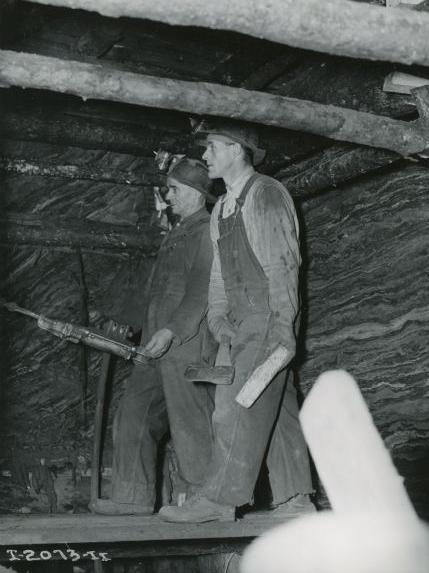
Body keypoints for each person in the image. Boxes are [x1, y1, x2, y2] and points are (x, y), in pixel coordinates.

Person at [159, 121, 314, 523]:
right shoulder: (223, 208)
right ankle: (296, 497)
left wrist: (283, 324)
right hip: (241, 321)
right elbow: (216, 276)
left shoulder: (266, 195)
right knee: (275, 401)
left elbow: (283, 265)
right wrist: (215, 316)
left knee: (235, 404)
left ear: (236, 149)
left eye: (212, 147)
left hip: (267, 315)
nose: (206, 156)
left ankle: (219, 499)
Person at [89, 158, 217, 515]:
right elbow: (156, 291)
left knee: (191, 421)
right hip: (155, 344)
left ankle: (203, 499)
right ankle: (132, 498)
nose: (168, 195)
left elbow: (201, 289)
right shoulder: (176, 234)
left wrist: (172, 330)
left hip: (188, 343)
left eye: (174, 189)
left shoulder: (207, 230)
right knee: (133, 414)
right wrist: (124, 320)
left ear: (194, 192)